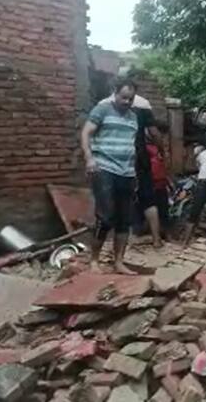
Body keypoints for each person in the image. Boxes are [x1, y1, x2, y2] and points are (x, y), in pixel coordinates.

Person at [81, 79, 140, 274]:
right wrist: (89, 159)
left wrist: (135, 171)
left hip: (127, 172)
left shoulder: (133, 117)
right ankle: (94, 260)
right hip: (104, 169)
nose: (127, 102)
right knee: (106, 217)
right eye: (123, 97)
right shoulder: (102, 110)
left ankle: (118, 262)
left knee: (125, 219)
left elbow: (131, 145)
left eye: (130, 99)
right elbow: (86, 133)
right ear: (115, 93)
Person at [100, 91, 164, 247]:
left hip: (114, 160)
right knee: (148, 198)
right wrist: (162, 150)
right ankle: (156, 240)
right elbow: (154, 133)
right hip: (139, 157)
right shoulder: (142, 103)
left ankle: (123, 240)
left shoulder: (103, 104)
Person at [146, 121, 171, 237]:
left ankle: (165, 234)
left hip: (161, 184)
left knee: (163, 210)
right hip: (150, 183)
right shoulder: (145, 148)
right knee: (151, 209)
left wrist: (168, 180)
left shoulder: (160, 149)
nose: (162, 138)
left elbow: (163, 167)